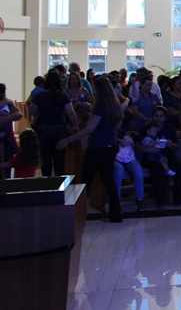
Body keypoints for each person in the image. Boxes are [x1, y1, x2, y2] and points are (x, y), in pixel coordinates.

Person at [56, 76, 123, 222]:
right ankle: (116, 214)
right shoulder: (114, 104)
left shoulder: (99, 106)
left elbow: (89, 129)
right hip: (111, 146)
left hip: (98, 147)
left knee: (85, 181)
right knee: (109, 181)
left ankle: (76, 215)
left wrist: (67, 140)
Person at [30, 71, 78, 177]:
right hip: (59, 130)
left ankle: (46, 182)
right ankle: (59, 183)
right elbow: (70, 112)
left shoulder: (39, 96)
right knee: (59, 160)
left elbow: (32, 111)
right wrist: (75, 126)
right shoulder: (62, 95)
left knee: (45, 160)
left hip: (43, 130)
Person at [114, 130, 147, 212]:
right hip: (116, 159)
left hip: (129, 159)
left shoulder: (126, 135)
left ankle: (140, 199)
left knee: (138, 169)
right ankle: (116, 201)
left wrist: (130, 142)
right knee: (118, 171)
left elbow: (132, 146)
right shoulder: (110, 133)